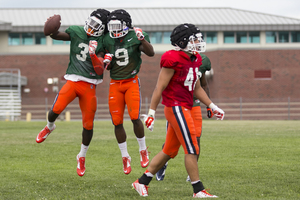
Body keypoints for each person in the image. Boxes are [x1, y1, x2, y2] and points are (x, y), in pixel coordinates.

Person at [132, 23, 224, 198]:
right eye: (195, 39)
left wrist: (212, 105)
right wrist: (151, 113)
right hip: (175, 107)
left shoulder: (195, 58)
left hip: (186, 107)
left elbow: (196, 88)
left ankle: (141, 182)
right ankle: (198, 190)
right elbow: (159, 87)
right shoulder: (171, 58)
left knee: (169, 151)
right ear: (183, 41)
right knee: (191, 148)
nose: (199, 42)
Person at [35, 9, 110, 177]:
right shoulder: (77, 31)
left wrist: (93, 53)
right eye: (90, 22)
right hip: (73, 80)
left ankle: (81, 156)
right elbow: (55, 36)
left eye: (95, 25)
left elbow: (100, 68)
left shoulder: (103, 41)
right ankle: (49, 127)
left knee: (88, 124)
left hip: (90, 84)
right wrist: (51, 29)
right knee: (55, 109)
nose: (90, 27)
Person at [97, 9, 155, 175]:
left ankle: (143, 149)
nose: (114, 30)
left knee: (135, 117)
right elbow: (100, 54)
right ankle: (125, 156)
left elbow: (151, 53)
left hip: (131, 82)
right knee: (117, 122)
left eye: (117, 26)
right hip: (115, 82)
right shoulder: (106, 38)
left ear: (126, 25)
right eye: (111, 26)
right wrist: (103, 59)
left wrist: (141, 40)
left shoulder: (136, 34)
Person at [156, 48, 214, 181]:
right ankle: (162, 164)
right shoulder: (175, 58)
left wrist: (209, 105)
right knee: (170, 144)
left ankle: (192, 174)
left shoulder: (202, 60)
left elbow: (203, 84)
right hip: (177, 104)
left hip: (194, 104)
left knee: (196, 140)